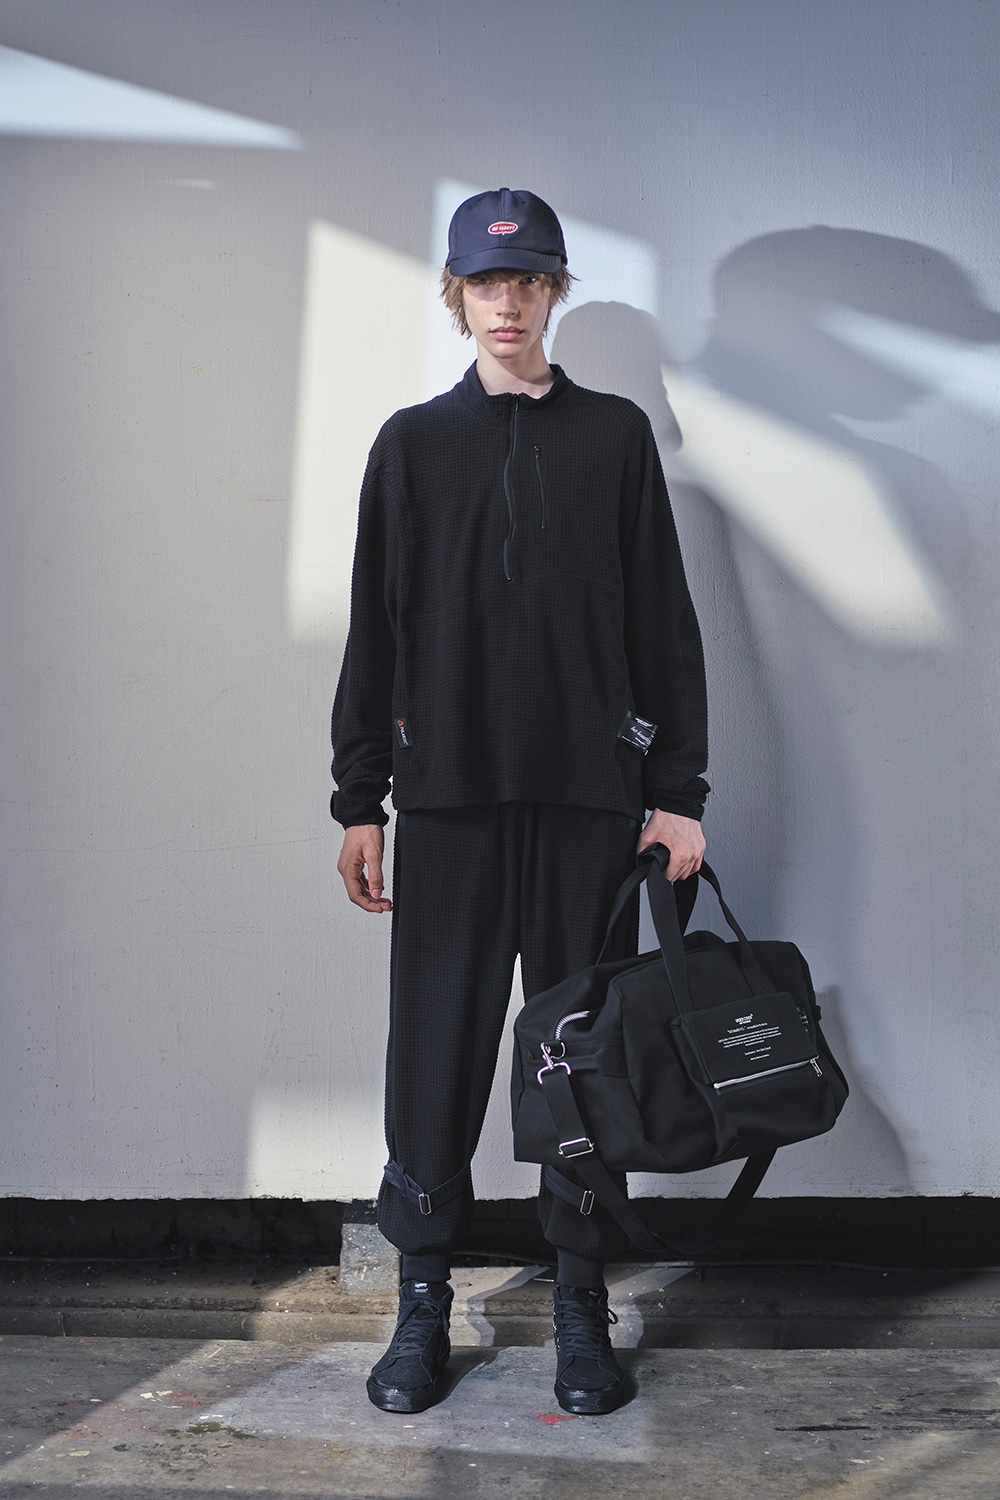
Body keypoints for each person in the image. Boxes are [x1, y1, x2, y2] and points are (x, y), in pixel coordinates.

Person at [331, 188, 708, 1415]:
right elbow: (375, 633)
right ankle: (421, 1299)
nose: (508, 303)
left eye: (529, 281)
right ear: (458, 295)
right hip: (448, 801)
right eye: (486, 283)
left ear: (554, 293)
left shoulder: (613, 437)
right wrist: (358, 798)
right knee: (433, 1051)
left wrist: (676, 792)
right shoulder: (410, 445)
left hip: (589, 803)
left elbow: (662, 623)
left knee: (580, 1061)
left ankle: (581, 1305)